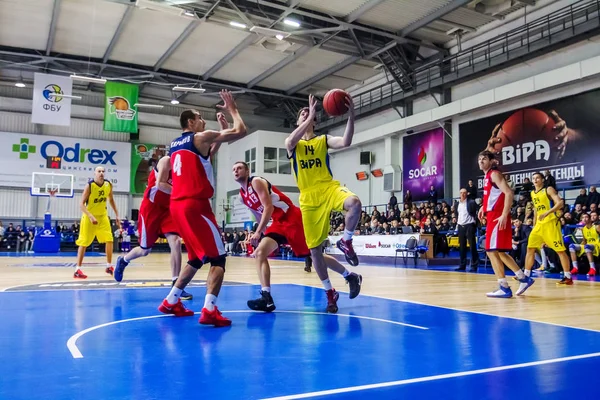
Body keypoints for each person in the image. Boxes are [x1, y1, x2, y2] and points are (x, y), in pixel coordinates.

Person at [158, 90, 247, 327]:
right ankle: (209, 309)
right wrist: (233, 109)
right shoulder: (200, 136)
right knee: (218, 259)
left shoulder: (175, 145)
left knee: (197, 257)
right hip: (195, 204)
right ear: (190, 122)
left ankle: (171, 301)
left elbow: (204, 158)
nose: (203, 120)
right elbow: (241, 132)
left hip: (177, 206)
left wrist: (218, 133)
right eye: (199, 117)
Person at [285, 94, 362, 313]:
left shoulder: (323, 140)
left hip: (328, 188)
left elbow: (346, 142)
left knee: (354, 203)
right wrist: (308, 116)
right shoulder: (293, 144)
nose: (305, 114)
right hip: (308, 198)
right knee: (314, 252)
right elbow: (290, 141)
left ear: (316, 121)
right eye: (301, 114)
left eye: (308, 113)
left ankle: (346, 242)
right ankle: (332, 292)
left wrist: (352, 116)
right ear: (299, 122)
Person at [233, 161, 312, 312]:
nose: (236, 171)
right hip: (277, 222)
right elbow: (258, 214)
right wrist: (260, 234)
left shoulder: (256, 182)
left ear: (247, 171)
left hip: (291, 218)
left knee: (314, 256)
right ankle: (266, 297)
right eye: (234, 169)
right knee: (260, 253)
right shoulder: (242, 196)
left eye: (240, 168)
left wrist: (257, 232)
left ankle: (348, 275)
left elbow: (268, 207)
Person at [477, 151, 533, 298]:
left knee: (490, 251)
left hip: (497, 216)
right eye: (479, 159)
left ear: (491, 161)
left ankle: (504, 287)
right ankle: (523, 278)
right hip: (492, 214)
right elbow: (494, 195)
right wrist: (484, 206)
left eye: (484, 159)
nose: (481, 161)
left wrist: (504, 214)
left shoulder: (494, 174)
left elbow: (508, 193)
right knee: (500, 251)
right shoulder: (487, 176)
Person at [518, 172, 573, 292]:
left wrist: (548, 212)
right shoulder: (533, 193)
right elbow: (537, 210)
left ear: (542, 179)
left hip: (551, 223)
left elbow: (560, 203)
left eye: (537, 178)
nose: (535, 180)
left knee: (560, 251)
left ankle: (568, 277)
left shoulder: (548, 189)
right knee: (530, 248)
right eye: (533, 178)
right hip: (539, 225)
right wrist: (534, 224)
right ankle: (526, 276)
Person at [74, 166, 120, 279]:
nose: (101, 173)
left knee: (109, 239)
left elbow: (111, 199)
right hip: (89, 217)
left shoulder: (108, 185)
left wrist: (117, 214)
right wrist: (90, 216)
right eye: (99, 171)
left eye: (103, 171)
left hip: (102, 216)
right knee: (84, 243)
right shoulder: (89, 186)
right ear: (94, 173)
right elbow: (81, 204)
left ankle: (109, 266)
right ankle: (77, 269)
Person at [455, 188, 479, 272]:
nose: (462, 194)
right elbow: (457, 214)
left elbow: (476, 212)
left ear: (467, 194)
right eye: (461, 193)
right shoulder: (457, 204)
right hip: (460, 226)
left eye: (464, 193)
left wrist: (475, 222)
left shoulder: (471, 202)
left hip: (469, 225)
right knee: (462, 247)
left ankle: (474, 265)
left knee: (472, 246)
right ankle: (462, 265)